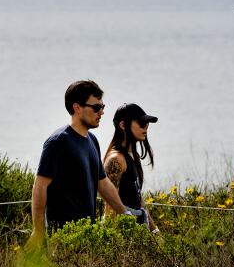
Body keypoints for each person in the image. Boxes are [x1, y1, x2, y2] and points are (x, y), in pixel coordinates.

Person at [27, 80, 143, 249]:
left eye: (103, 107)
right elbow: (40, 187)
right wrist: (38, 232)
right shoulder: (58, 142)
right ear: (77, 108)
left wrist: (124, 213)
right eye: (96, 108)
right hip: (62, 238)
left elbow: (103, 184)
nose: (101, 112)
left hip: (88, 236)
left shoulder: (92, 141)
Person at [103, 103, 160, 234]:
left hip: (137, 231)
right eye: (141, 123)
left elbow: (138, 199)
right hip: (123, 234)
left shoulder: (133, 156)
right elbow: (109, 208)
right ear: (123, 125)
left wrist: (155, 231)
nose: (145, 128)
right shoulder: (116, 160)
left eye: (147, 124)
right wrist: (113, 244)